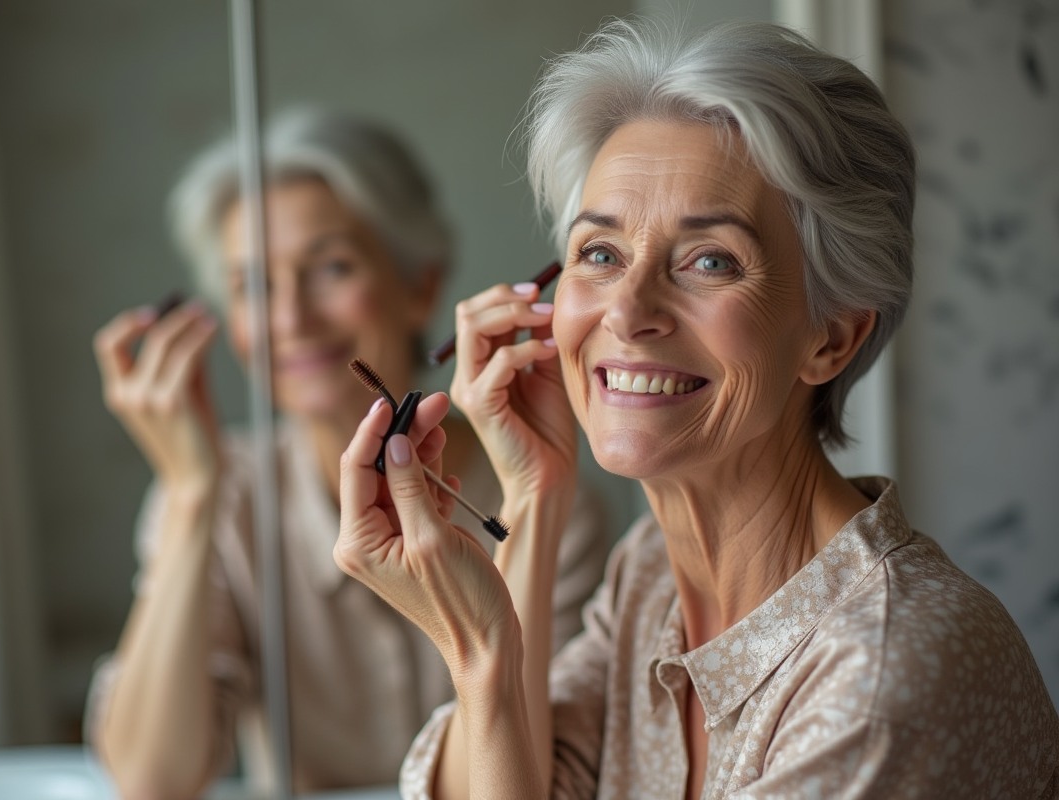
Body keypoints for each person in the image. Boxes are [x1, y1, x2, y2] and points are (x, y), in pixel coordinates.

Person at [334, 20, 1059, 800]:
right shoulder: (648, 576)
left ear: (832, 338)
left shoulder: (885, 670)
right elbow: (519, 780)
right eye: (601, 254)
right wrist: (533, 502)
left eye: (710, 260)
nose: (628, 311)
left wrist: (480, 646)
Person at [85, 110, 611, 799]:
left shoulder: (538, 495)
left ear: (420, 283)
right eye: (254, 286)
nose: (291, 319)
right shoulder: (228, 497)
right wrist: (189, 495)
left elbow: (548, 772)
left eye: (331, 267)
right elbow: (151, 780)